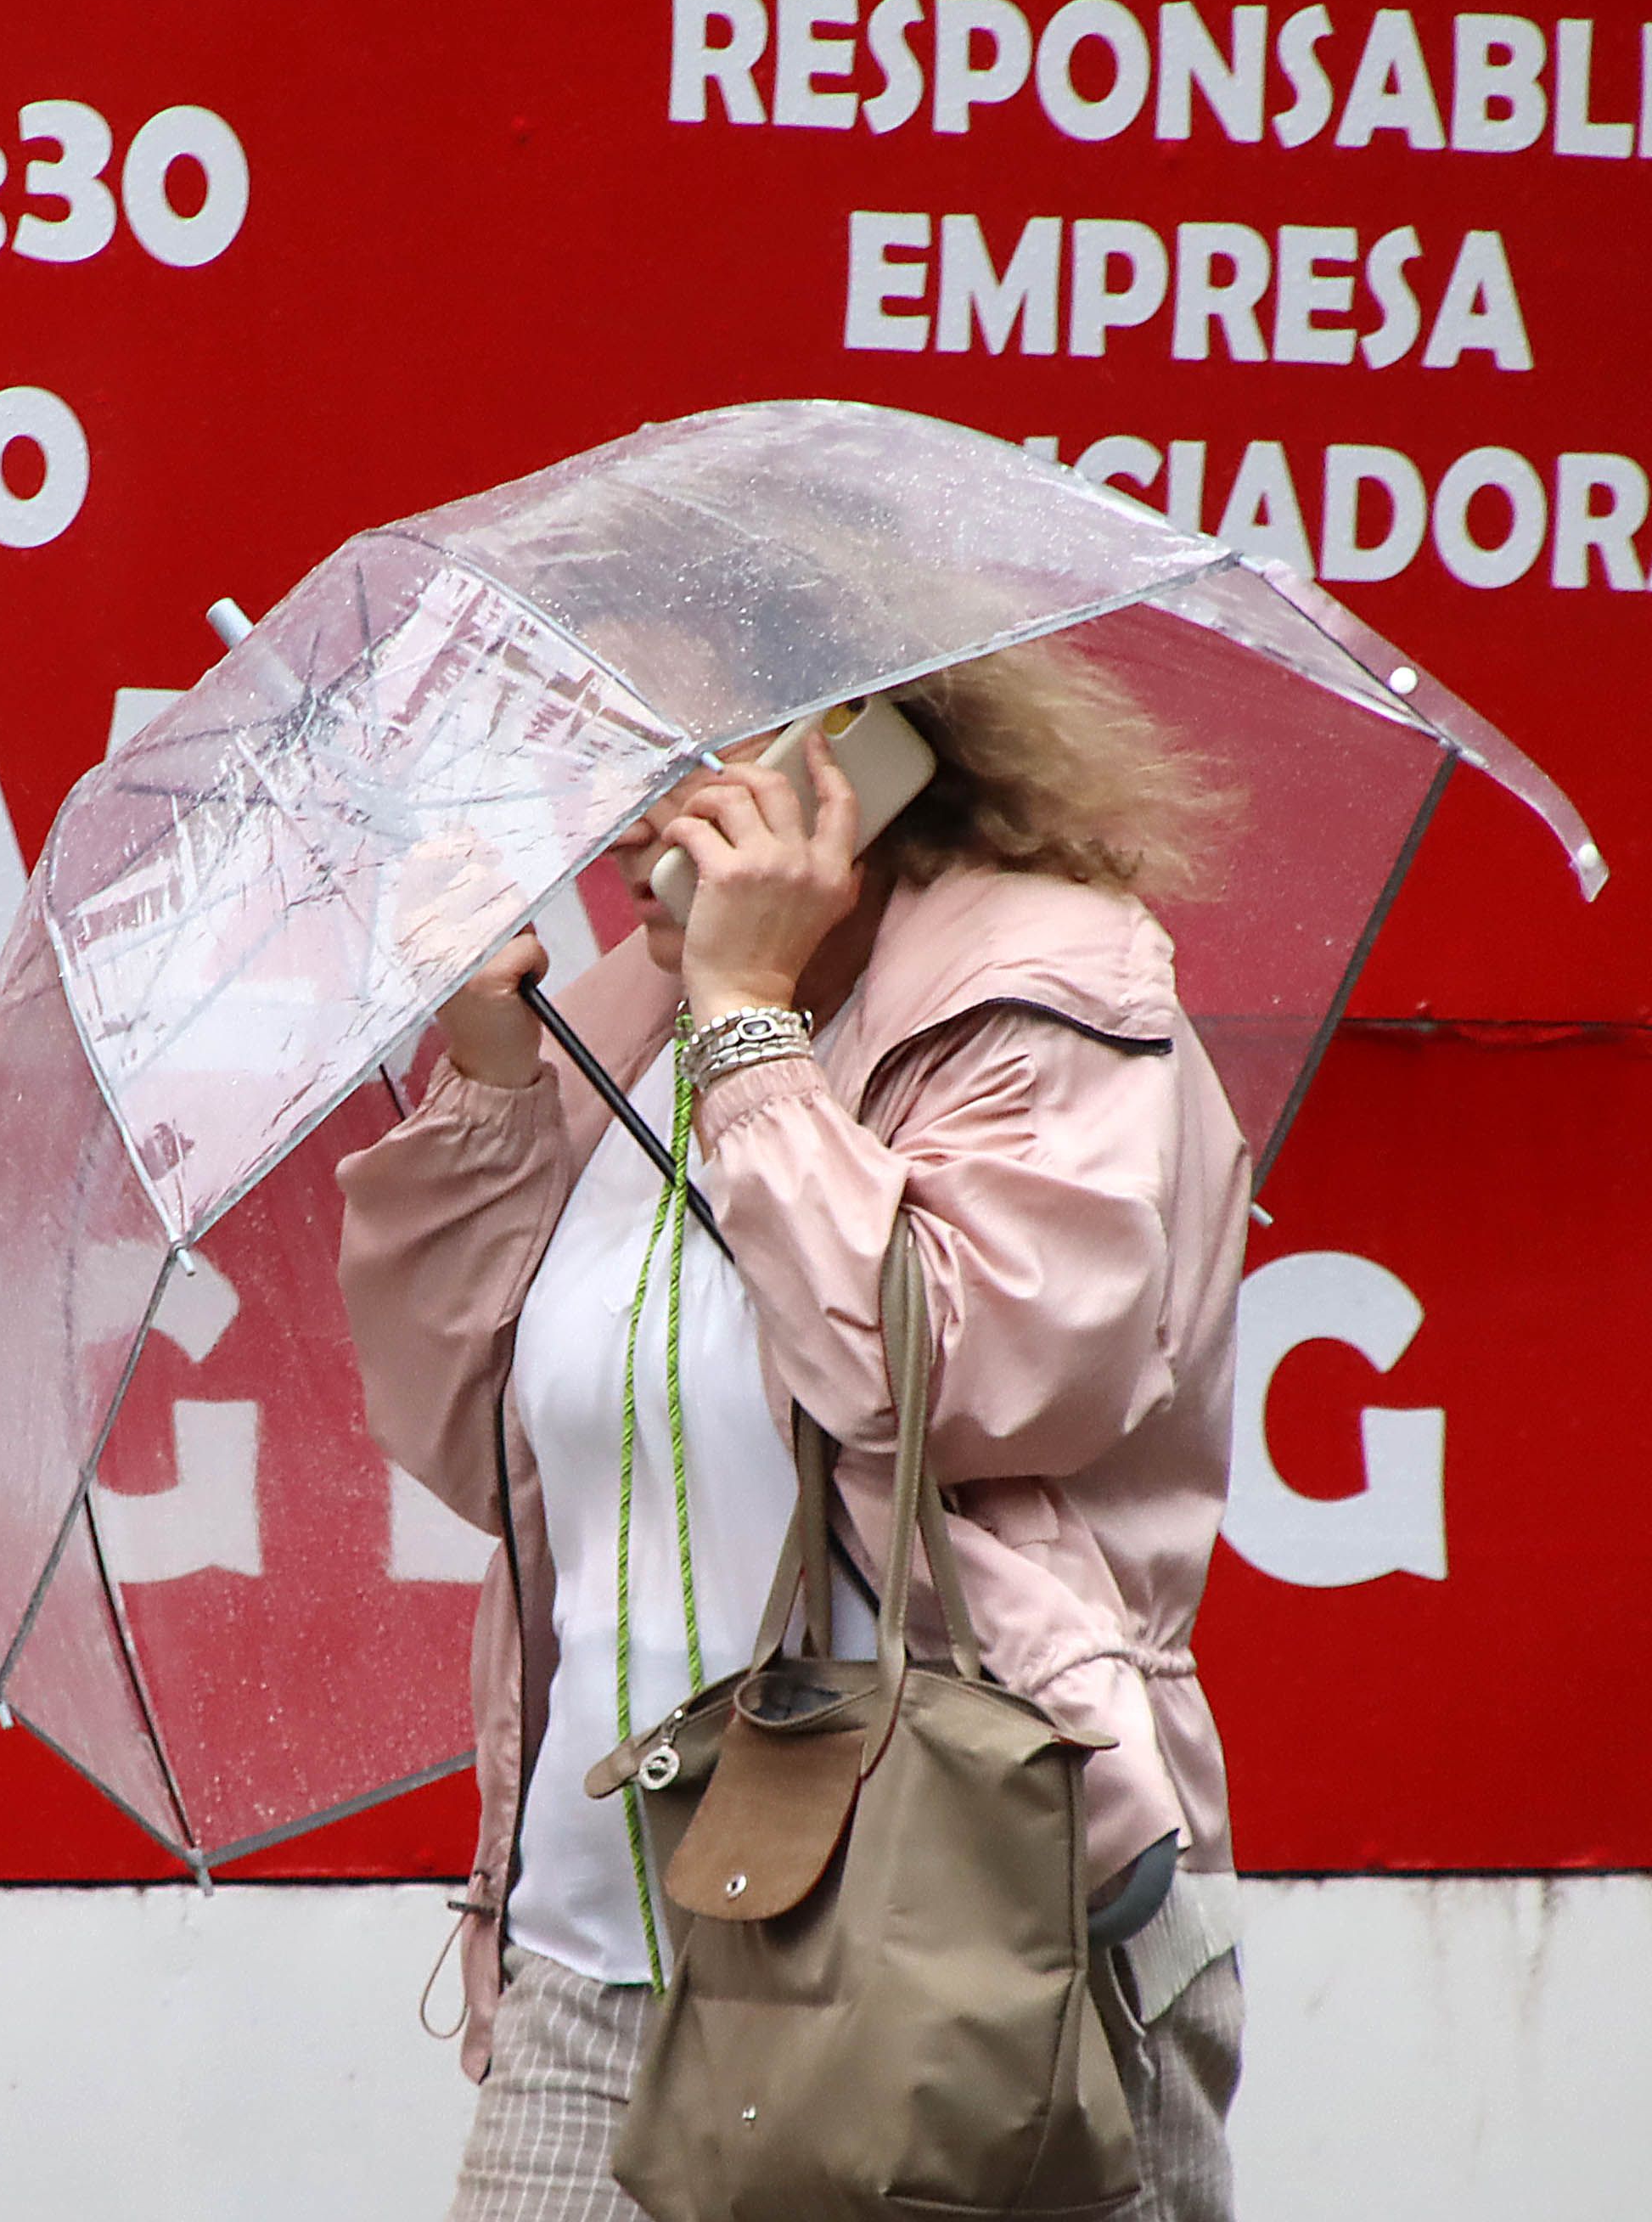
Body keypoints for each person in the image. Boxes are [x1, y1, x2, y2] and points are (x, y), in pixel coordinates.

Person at [334, 638, 1251, 2222]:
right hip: (601, 1950)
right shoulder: (627, 1016)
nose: (618, 821)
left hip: (955, 1934)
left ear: (866, 747)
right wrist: (490, 1088)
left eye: (675, 759)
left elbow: (952, 1383)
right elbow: (469, 1434)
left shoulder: (1053, 985)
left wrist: (753, 1023)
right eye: (603, 765)